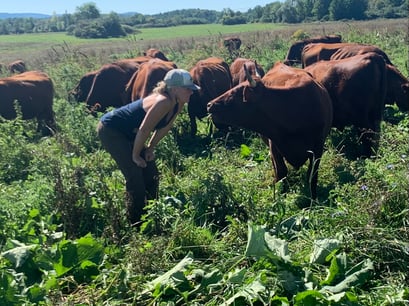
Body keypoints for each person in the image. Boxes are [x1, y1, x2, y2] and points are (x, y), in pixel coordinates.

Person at [96, 69, 200, 225]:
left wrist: (150, 148)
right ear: (175, 88)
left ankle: (152, 214)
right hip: (112, 130)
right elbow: (145, 129)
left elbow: (165, 126)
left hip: (133, 133)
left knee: (152, 174)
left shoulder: (177, 102)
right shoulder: (163, 101)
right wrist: (136, 155)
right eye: (188, 89)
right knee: (134, 174)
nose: (191, 92)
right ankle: (136, 223)